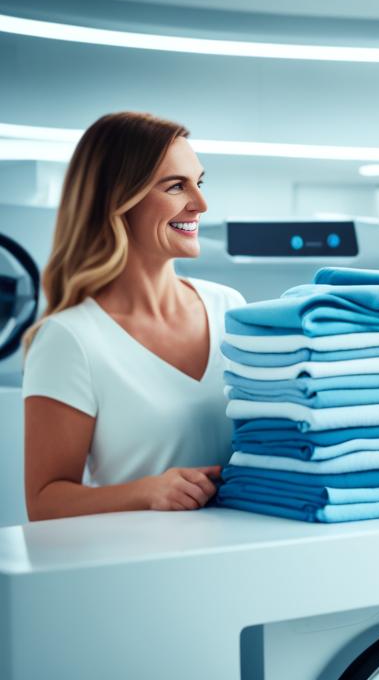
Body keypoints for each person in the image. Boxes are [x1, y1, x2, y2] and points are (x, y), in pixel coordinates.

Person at [22, 112, 245, 520]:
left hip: (252, 554)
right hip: (142, 569)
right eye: (176, 186)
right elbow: (43, 502)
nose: (201, 203)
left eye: (200, 182)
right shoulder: (68, 339)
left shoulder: (230, 307)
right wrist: (145, 492)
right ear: (118, 198)